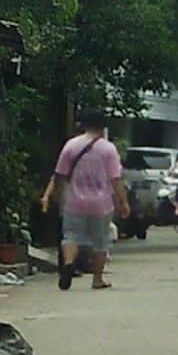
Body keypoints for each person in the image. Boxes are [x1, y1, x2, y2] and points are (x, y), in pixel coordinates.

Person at [43, 113, 127, 291]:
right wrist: (123, 202)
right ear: (103, 127)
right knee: (101, 242)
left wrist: (55, 195)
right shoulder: (108, 149)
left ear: (83, 125)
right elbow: (116, 179)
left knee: (70, 237)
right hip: (101, 204)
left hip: (74, 203)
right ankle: (97, 279)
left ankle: (68, 263)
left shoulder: (71, 145)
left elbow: (60, 174)